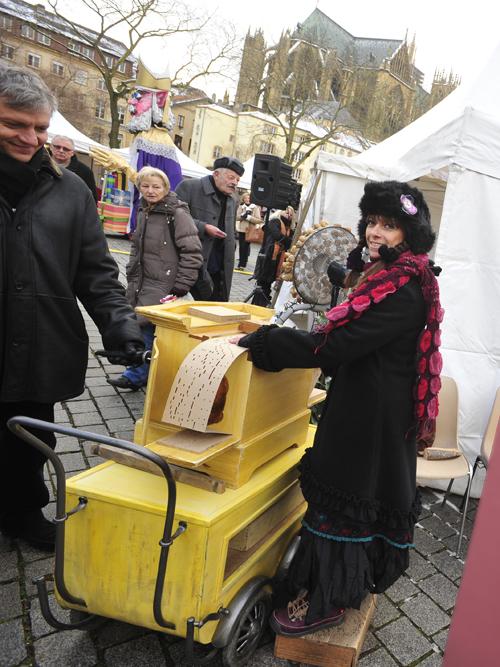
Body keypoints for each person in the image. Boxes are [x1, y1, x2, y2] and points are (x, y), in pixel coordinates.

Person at [231, 181, 443, 636]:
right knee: (356, 494)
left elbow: (338, 346)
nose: (374, 232)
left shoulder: (404, 289)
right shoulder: (387, 275)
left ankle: (325, 599)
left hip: (371, 417)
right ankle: (331, 585)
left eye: (389, 225)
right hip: (365, 401)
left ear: (409, 234)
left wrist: (266, 340)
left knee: (347, 496)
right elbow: (348, 319)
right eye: (372, 222)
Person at [0, 64, 144, 551]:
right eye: (15, 124)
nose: (30, 137)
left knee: (30, 441)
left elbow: (96, 272)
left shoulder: (70, 189)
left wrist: (121, 327)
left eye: (40, 127)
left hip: (42, 342)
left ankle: (21, 512)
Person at [108, 166, 203, 391]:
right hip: (142, 281)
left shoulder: (177, 214)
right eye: (146, 186)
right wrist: (131, 270)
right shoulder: (143, 211)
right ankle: (140, 374)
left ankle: (137, 376)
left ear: (166, 188)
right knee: (142, 327)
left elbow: (192, 251)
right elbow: (136, 246)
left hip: (166, 284)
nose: (151, 191)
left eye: (156, 186)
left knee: (148, 328)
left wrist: (181, 285)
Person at [175, 156, 244, 301]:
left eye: (237, 180)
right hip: (193, 266)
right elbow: (173, 217)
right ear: (216, 174)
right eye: (231, 177)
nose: (234, 183)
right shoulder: (189, 187)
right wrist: (203, 227)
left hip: (220, 270)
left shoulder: (233, 199)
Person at [252, 206, 294, 306]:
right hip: (269, 256)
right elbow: (277, 236)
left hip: (279, 258)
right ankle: (259, 303)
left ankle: (263, 302)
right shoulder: (275, 221)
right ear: (281, 212)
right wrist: (288, 241)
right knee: (263, 281)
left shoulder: (289, 228)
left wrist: (287, 241)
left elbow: (288, 241)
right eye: (286, 212)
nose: (289, 214)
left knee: (269, 282)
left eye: (291, 213)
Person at [50, 134, 98, 202]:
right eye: (57, 147)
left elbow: (91, 200)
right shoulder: (39, 164)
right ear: (51, 147)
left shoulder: (85, 172)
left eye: (66, 149)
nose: (61, 150)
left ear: (72, 153)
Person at [236, 191, 262, 270]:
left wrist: (249, 217)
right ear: (243, 199)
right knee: (241, 247)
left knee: (245, 247)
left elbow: (258, 220)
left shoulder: (255, 207)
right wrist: (242, 216)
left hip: (250, 231)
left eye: (249, 198)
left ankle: (242, 265)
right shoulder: (241, 207)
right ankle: (241, 264)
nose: (247, 199)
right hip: (242, 230)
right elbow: (236, 217)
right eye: (245, 198)